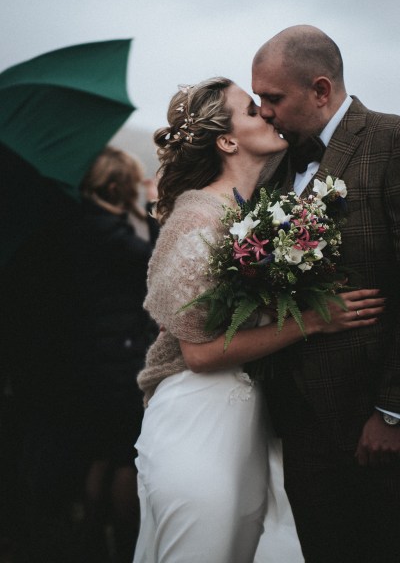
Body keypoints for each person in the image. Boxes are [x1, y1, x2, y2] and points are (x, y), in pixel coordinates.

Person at [132, 77, 384, 563]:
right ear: (227, 141)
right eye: (252, 110)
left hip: (246, 420)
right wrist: (312, 320)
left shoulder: (254, 211)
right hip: (198, 418)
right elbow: (199, 353)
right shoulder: (198, 218)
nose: (267, 114)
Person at [251, 25, 400, 563]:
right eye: (258, 99)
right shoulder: (273, 167)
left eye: (273, 98)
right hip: (300, 426)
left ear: (320, 89)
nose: (263, 111)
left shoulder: (390, 142)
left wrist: (392, 411)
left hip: (373, 426)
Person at [3, 146, 158, 563]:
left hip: (89, 361)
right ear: (114, 187)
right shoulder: (110, 231)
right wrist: (153, 211)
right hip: (122, 364)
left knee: (100, 454)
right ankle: (125, 544)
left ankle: (90, 537)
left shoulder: (70, 226)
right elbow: (156, 268)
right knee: (127, 457)